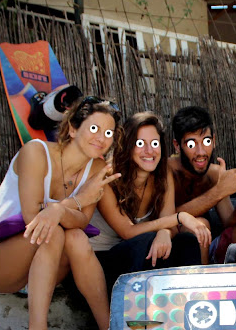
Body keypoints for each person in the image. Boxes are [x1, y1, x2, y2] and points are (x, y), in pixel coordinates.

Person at [0, 96, 123, 330]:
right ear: (72, 128)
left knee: (76, 237)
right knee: (53, 232)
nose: (101, 138)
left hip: (40, 271)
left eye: (108, 133)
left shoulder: (96, 169)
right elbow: (33, 219)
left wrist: (58, 209)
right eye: (94, 128)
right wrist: (69, 205)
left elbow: (81, 221)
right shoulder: (36, 153)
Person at [88, 112, 211, 292]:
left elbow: (167, 220)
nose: (149, 151)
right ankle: (138, 307)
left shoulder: (163, 174)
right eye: (140, 144)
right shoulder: (109, 177)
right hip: (103, 261)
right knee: (146, 240)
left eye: (154, 143)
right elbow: (128, 232)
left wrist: (164, 232)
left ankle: (190, 299)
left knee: (186, 241)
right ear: (127, 145)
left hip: (141, 255)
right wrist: (180, 217)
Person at [168, 106, 236, 263]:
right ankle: (202, 278)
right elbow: (167, 217)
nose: (201, 152)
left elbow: (229, 221)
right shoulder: (168, 171)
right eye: (191, 144)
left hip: (209, 246)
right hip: (172, 252)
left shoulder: (214, 173)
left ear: (214, 140)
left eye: (206, 141)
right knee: (198, 226)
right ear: (177, 145)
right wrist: (219, 191)